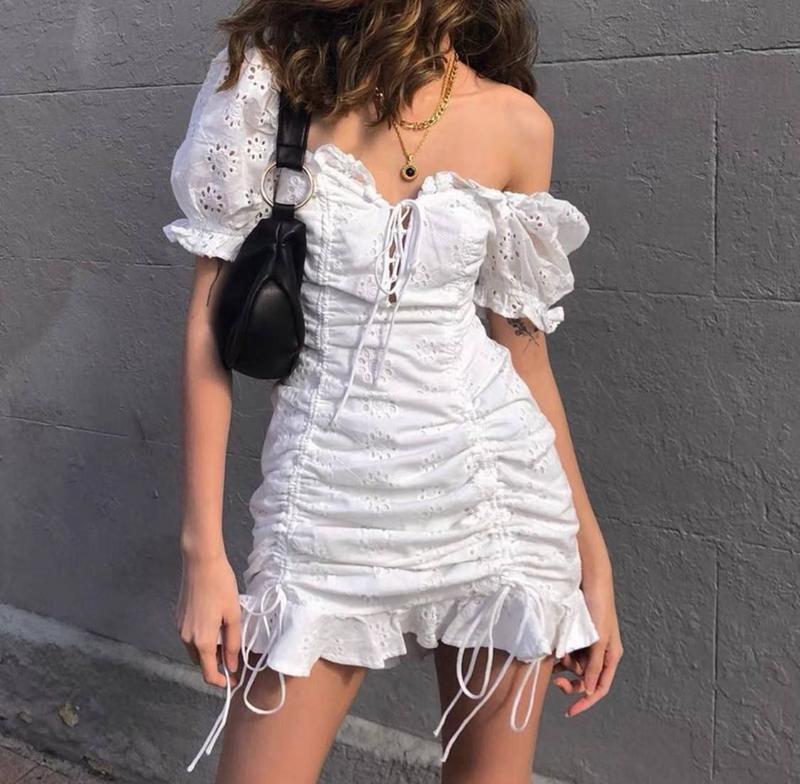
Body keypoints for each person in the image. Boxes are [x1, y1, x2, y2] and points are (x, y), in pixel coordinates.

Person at [164, 1, 623, 782]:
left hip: (496, 502)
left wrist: (592, 556)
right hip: (323, 505)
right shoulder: (270, 85)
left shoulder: (517, 125)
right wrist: (202, 552)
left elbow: (523, 353)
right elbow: (211, 323)